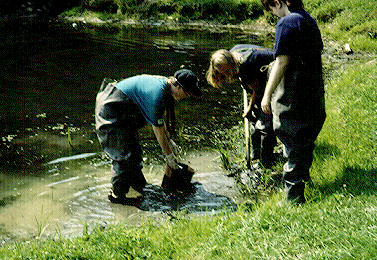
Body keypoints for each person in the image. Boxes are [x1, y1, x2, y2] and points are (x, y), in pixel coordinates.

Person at [95, 69, 201, 204]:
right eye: (187, 93)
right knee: (123, 156)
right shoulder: (157, 94)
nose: (187, 96)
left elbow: (162, 126)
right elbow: (158, 132)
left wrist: (171, 143)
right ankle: (117, 197)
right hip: (111, 107)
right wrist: (169, 157)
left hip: (125, 110)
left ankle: (138, 187)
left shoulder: (167, 89)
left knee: (134, 153)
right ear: (178, 86)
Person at [260, 0, 326, 203]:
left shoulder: (287, 22)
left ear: (277, 3)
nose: (274, 14)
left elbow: (282, 62)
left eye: (271, 9)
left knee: (292, 138)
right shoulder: (309, 19)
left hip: (295, 92)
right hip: (314, 91)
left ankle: (294, 200)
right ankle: (304, 181)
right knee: (305, 139)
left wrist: (267, 95)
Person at [206, 44, 277, 167]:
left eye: (227, 71)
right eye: (223, 73)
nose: (226, 75)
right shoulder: (234, 51)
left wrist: (249, 108)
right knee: (257, 123)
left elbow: (258, 90)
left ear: (231, 63)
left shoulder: (245, 67)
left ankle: (266, 163)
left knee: (265, 125)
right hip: (264, 76)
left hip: (280, 73)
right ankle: (256, 158)